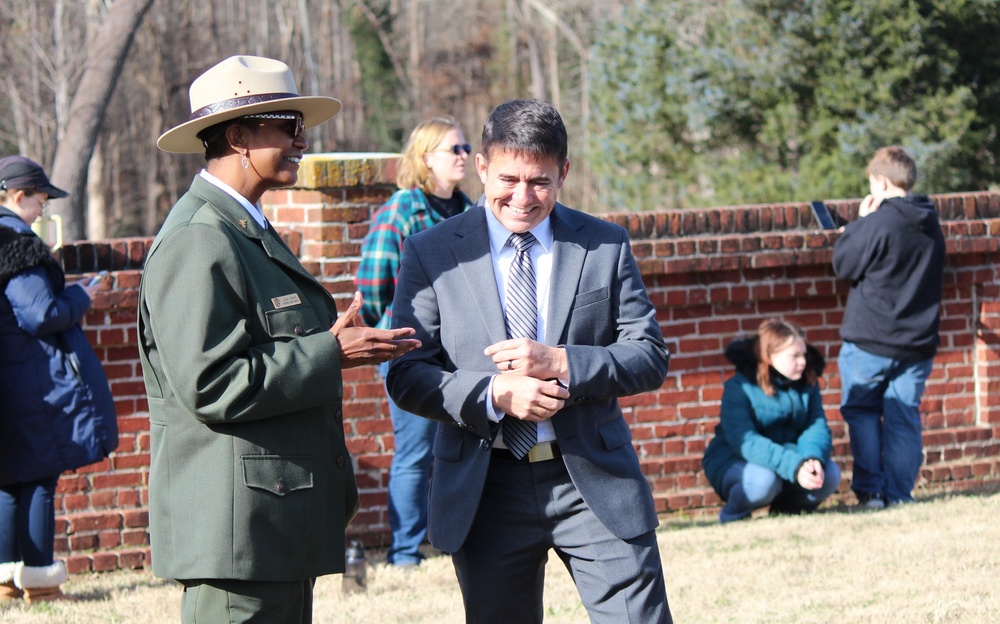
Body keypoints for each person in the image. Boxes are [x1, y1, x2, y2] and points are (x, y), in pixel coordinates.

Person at [139, 55, 420, 623]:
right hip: (238, 538)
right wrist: (330, 353)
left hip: (270, 531)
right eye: (287, 125)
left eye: (301, 127)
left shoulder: (243, 227)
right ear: (239, 136)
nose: (302, 140)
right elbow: (212, 384)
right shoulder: (200, 239)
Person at [386, 99, 673, 623]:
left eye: (539, 181)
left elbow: (649, 357)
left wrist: (563, 361)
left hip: (592, 478)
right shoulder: (430, 252)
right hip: (485, 486)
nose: (522, 197)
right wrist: (493, 394)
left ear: (563, 172)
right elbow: (407, 374)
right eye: (508, 179)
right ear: (482, 168)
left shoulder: (604, 244)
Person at [356, 116, 474, 567]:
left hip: (462, 353)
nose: (463, 156)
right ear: (425, 159)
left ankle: (452, 539)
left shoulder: (469, 211)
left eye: (465, 149)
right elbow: (371, 287)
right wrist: (393, 342)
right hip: (412, 352)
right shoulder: (402, 210)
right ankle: (405, 551)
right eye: (454, 150)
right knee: (416, 451)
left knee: (461, 446)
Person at [0, 156, 118, 603]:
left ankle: (7, 583)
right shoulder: (15, 240)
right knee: (39, 477)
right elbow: (40, 313)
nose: (43, 211)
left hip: (8, 376)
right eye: (40, 201)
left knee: (10, 479)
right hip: (30, 377)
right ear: (18, 197)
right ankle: (42, 584)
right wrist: (79, 294)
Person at [833, 146, 945, 510]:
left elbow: (844, 265)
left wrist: (860, 225)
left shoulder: (879, 222)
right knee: (903, 417)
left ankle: (872, 493)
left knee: (863, 411)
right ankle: (899, 494)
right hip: (918, 342)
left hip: (871, 340)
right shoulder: (930, 220)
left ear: (880, 181)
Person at [702, 319, 842, 523]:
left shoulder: (808, 383)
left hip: (789, 459)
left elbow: (815, 426)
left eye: (803, 354)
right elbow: (746, 441)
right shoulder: (738, 387)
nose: (802, 361)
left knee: (829, 476)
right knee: (763, 481)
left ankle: (785, 512)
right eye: (794, 356)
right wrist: (794, 466)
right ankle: (733, 514)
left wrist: (811, 459)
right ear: (768, 357)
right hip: (735, 461)